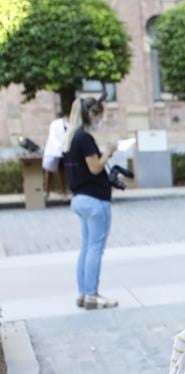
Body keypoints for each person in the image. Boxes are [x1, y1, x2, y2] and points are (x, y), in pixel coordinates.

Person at [62, 97, 118, 310]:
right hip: (95, 199)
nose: (100, 119)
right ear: (90, 114)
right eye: (99, 114)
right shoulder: (85, 138)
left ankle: (83, 293)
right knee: (95, 248)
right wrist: (108, 151)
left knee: (86, 248)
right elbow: (95, 167)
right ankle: (92, 295)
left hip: (79, 198)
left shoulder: (70, 139)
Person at [42, 111, 68, 198]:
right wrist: (60, 147)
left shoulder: (65, 125)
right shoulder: (56, 125)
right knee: (51, 172)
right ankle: (48, 192)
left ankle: (63, 192)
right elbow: (54, 138)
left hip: (59, 151)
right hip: (55, 151)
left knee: (61, 172)